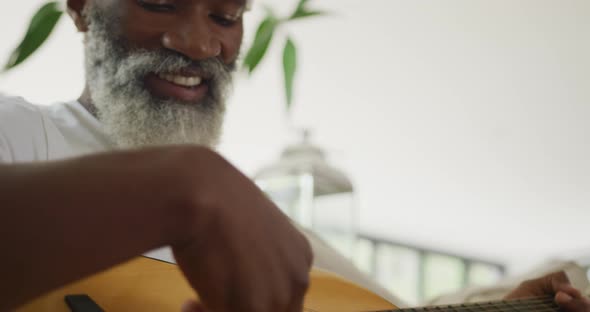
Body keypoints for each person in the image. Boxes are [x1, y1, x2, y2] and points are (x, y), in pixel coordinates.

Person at [0, 1, 587, 311]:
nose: (201, 44)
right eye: (159, 1)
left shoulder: (268, 230)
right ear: (80, 6)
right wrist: (185, 182)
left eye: (226, 16)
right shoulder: (19, 131)